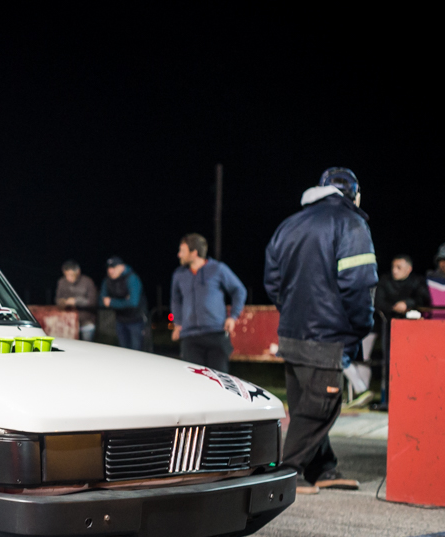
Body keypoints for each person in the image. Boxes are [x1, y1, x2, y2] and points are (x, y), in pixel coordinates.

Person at [264, 167, 378, 494]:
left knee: (305, 405)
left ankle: (323, 468)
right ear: (353, 194)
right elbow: (359, 284)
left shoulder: (289, 224)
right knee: (320, 407)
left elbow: (272, 281)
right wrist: (361, 325)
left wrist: (293, 313)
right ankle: (287, 471)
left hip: (291, 334)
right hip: (327, 336)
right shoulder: (351, 223)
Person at [170, 233, 246, 373]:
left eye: (182, 251)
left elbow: (239, 290)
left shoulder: (218, 269)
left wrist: (233, 316)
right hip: (190, 337)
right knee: (193, 381)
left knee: (217, 379)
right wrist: (178, 323)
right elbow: (175, 300)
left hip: (216, 333)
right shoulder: (179, 274)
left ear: (194, 253)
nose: (179, 255)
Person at [362, 255, 430, 407]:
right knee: (389, 363)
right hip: (389, 328)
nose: (395, 271)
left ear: (409, 269)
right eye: (393, 267)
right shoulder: (385, 281)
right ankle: (388, 399)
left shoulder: (416, 281)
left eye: (399, 267)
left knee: (412, 364)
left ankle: (412, 398)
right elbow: (378, 302)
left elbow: (423, 298)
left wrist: (408, 304)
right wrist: (394, 308)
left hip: (413, 331)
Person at [101, 256, 146, 350]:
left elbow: (133, 303)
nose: (110, 270)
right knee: (123, 351)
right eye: (109, 268)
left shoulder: (132, 278)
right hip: (120, 320)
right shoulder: (107, 280)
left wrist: (112, 302)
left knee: (136, 351)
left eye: (113, 267)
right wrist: (124, 301)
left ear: (122, 267)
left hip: (135, 321)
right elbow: (102, 301)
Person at [55, 260, 98, 340]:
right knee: (71, 345)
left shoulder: (87, 281)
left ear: (78, 272)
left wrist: (76, 301)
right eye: (66, 275)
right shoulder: (62, 282)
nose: (68, 278)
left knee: (87, 345)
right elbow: (57, 299)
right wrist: (63, 302)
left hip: (86, 321)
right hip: (68, 322)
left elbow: (93, 301)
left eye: (71, 275)